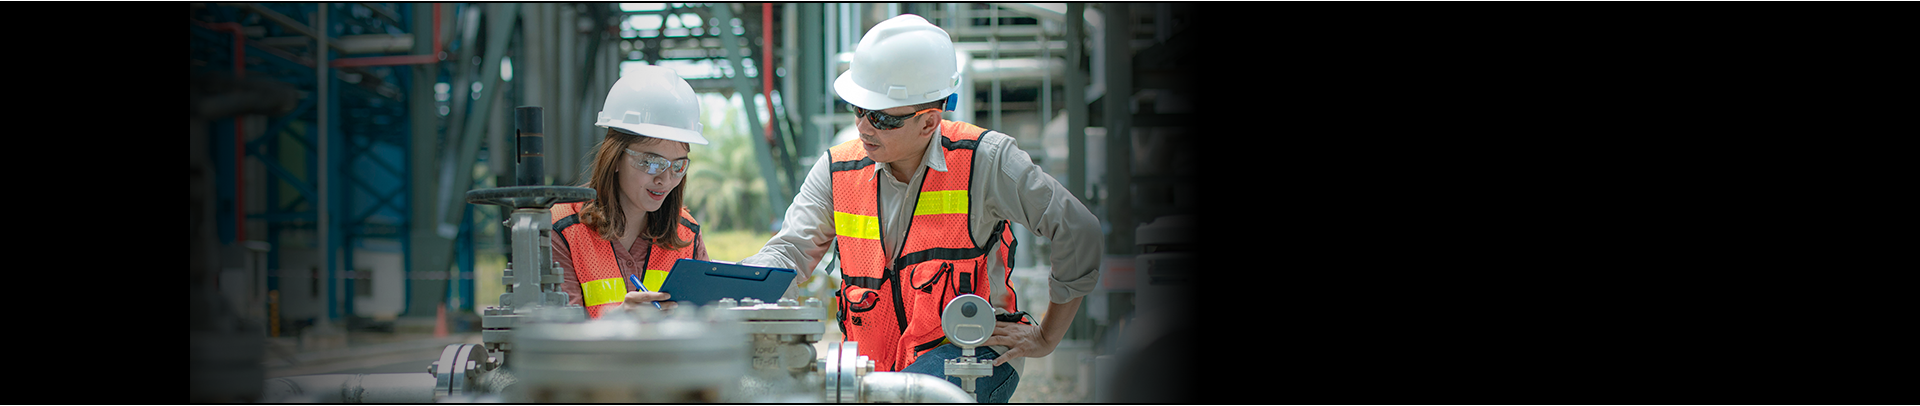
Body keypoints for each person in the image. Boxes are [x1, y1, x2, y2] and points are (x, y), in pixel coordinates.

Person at [739, 14, 1102, 403]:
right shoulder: (837, 169)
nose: (863, 127)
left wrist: (1047, 336)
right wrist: (736, 285)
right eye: (858, 109)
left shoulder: (986, 160)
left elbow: (1078, 230)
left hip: (970, 354)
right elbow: (790, 249)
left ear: (929, 121)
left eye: (880, 117)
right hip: (877, 368)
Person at [553, 65, 711, 319]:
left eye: (678, 165)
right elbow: (555, 341)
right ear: (614, 158)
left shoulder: (686, 234)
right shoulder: (562, 229)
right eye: (651, 162)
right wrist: (618, 320)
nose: (665, 179)